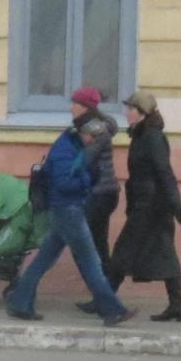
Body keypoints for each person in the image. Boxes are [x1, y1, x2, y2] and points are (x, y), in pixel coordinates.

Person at [7, 87, 135, 326]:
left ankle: (20, 302)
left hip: (65, 209)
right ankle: (112, 310)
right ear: (82, 132)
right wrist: (89, 180)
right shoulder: (66, 149)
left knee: (44, 259)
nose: (93, 140)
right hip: (68, 209)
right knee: (91, 261)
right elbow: (64, 183)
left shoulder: (74, 144)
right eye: (91, 136)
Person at [106, 91, 181, 323]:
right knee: (163, 253)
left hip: (151, 205)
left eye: (131, 109)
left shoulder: (152, 137)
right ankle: (176, 306)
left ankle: (105, 300)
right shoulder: (142, 134)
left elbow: (164, 171)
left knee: (123, 251)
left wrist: (176, 203)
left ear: (142, 113)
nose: (127, 113)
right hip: (147, 203)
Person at [69, 87, 120, 313]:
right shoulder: (87, 127)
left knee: (84, 246)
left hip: (99, 194)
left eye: (75, 104)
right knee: (96, 246)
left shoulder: (96, 130)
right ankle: (103, 297)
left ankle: (104, 297)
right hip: (102, 193)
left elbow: (84, 160)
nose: (71, 108)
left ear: (85, 107)